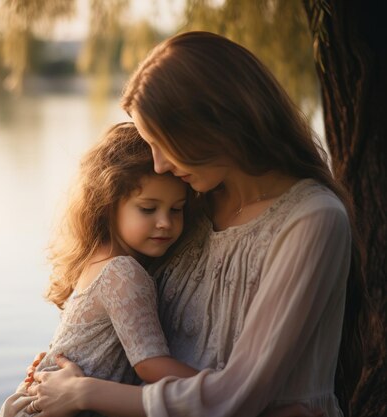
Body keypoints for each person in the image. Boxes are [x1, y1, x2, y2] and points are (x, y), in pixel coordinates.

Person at [25, 31, 354, 417]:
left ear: (214, 126)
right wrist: (68, 362)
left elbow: (237, 397)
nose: (159, 164)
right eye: (150, 146)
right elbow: (120, 312)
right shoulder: (189, 205)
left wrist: (86, 393)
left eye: (164, 144)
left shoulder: (311, 221)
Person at [0, 122, 198, 417]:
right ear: (108, 204)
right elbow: (151, 365)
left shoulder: (96, 260)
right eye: (148, 208)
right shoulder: (122, 273)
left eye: (176, 209)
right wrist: (233, 390)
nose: (165, 222)